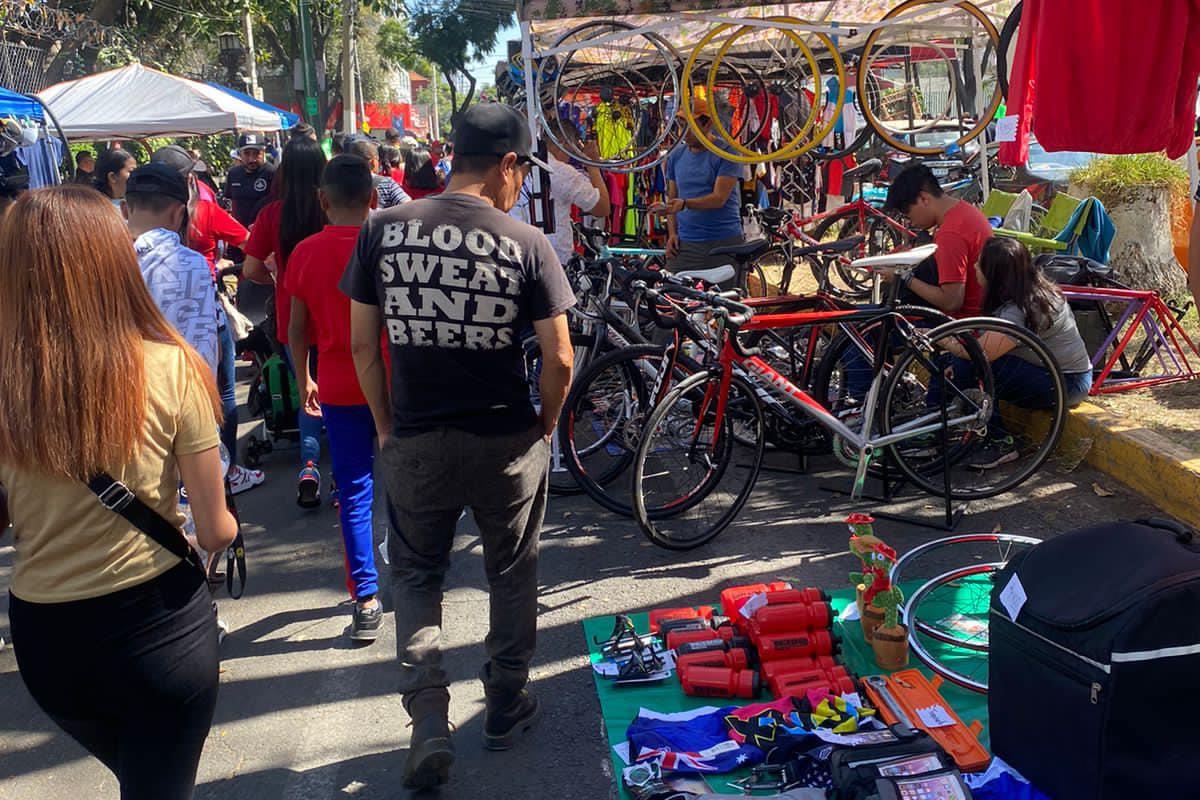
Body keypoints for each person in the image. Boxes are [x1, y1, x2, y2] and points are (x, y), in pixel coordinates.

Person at [341, 103, 575, 790]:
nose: (519, 186)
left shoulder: (382, 229)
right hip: (504, 438)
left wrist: (384, 423)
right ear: (507, 163)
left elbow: (363, 341)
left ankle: (428, 720)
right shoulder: (526, 241)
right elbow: (558, 356)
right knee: (510, 571)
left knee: (415, 577)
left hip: (417, 437)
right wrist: (546, 422)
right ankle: (504, 703)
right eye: (521, 171)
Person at [0, 185, 237, 799]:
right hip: (160, 630)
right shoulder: (172, 366)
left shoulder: (8, 384)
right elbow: (215, 530)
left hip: (48, 643)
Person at [285, 155, 382, 642]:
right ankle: (419, 577)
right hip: (392, 385)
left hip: (340, 389)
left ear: (323, 201)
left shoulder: (304, 253)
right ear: (375, 197)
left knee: (354, 494)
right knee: (410, 485)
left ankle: (365, 598)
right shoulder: (389, 243)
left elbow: (295, 329)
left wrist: (304, 379)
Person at [150, 146, 264, 495]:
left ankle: (179, 480)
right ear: (188, 178)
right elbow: (248, 240)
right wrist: (223, 266)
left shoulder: (138, 223)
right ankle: (224, 473)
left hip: (156, 321)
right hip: (205, 311)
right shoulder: (205, 212)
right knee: (221, 393)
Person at [942, 237, 1093, 468]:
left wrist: (941, 339)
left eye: (979, 263)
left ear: (994, 274)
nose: (973, 267)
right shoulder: (1023, 292)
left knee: (972, 362)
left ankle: (999, 441)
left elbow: (982, 353)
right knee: (956, 362)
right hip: (1052, 376)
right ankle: (945, 427)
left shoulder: (1023, 306)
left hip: (1068, 383)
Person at [243, 137, 328, 507]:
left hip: (290, 318)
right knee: (340, 392)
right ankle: (345, 471)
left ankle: (308, 465)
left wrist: (277, 280)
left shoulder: (271, 214)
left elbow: (250, 269)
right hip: (336, 314)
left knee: (306, 393)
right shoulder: (331, 208)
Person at [125, 163, 220, 375]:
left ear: (124, 208)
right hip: (185, 387)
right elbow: (205, 343)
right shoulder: (193, 264)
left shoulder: (109, 259)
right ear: (179, 214)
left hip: (128, 390)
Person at [883, 163, 992, 317]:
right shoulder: (963, 210)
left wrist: (903, 276)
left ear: (923, 199)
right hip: (984, 312)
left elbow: (951, 301)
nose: (910, 222)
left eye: (908, 214)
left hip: (962, 325)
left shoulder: (950, 233)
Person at [652, 100, 746, 271]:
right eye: (682, 125)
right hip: (686, 243)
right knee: (672, 293)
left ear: (708, 123)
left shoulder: (727, 153)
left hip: (723, 242)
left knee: (726, 296)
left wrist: (685, 204)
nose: (684, 133)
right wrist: (672, 233)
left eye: (691, 126)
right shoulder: (676, 155)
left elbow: (719, 199)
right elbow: (672, 198)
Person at [510, 128, 610, 266]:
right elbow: (602, 208)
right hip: (555, 261)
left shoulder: (515, 167)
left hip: (516, 254)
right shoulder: (561, 172)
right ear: (563, 143)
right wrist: (592, 164)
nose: (571, 156)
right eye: (573, 150)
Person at [223, 133, 276, 228]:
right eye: (247, 153)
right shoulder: (233, 173)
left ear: (263, 152)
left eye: (256, 153)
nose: (252, 159)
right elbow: (230, 201)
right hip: (239, 235)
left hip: (264, 232)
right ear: (240, 154)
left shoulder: (272, 173)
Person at [347, 137, 410, 208]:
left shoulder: (339, 183)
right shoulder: (387, 184)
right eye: (378, 159)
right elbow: (408, 206)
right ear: (373, 162)